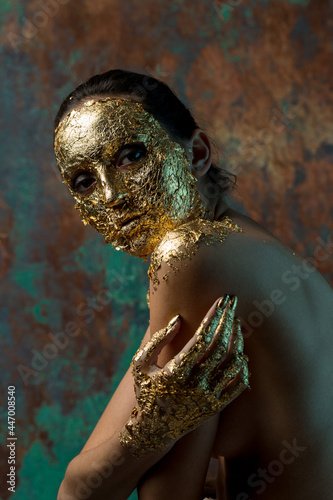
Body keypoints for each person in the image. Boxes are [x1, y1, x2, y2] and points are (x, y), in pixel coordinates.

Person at [54, 69, 333, 500]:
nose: (111, 196)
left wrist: (155, 427)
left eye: (131, 155)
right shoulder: (249, 247)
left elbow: (82, 492)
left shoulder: (188, 256)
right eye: (85, 181)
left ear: (198, 153)